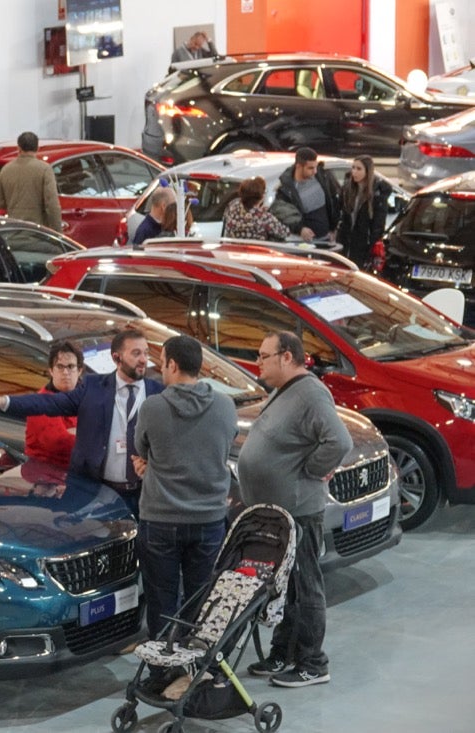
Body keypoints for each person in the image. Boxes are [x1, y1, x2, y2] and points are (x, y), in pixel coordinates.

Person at [237, 331, 352, 689]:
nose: (258, 362)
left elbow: (340, 440)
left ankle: (313, 663)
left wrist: (312, 470)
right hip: (278, 511)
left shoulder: (311, 393)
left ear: (287, 357)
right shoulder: (286, 390)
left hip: (299, 510)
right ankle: (283, 652)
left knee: (304, 587)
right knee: (284, 587)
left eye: (263, 355)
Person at [0, 329, 162, 518]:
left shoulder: (158, 392)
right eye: (136, 353)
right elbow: (47, 402)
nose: (144, 359)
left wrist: (152, 460)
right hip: (95, 493)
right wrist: (2, 402)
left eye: (145, 353)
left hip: (142, 494)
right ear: (116, 358)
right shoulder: (93, 388)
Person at [130, 335, 238, 638]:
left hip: (161, 520)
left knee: (162, 600)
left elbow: (142, 447)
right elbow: (223, 447)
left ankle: (162, 672)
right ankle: (196, 667)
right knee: (201, 598)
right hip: (209, 519)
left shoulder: (153, 407)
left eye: (161, 363)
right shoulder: (225, 406)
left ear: (173, 365)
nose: (159, 369)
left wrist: (154, 467)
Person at [24, 342, 83, 468]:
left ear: (79, 371)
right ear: (51, 371)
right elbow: (60, 443)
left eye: (71, 366)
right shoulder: (41, 403)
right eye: (60, 367)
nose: (66, 372)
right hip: (47, 477)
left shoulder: (87, 396)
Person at [0, 131, 63, 231]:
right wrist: (58, 234)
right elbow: (52, 205)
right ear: (37, 148)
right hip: (37, 231)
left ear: (18, 148)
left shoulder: (5, 170)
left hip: (13, 230)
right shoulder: (44, 169)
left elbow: (0, 203)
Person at [270, 147, 341, 243]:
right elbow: (284, 214)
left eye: (315, 167)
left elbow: (334, 201)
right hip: (304, 244)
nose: (315, 171)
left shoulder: (323, 177)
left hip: (327, 240)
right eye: (310, 168)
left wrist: (333, 228)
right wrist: (300, 229)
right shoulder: (286, 189)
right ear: (299, 166)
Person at [336, 155, 392, 269]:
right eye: (353, 168)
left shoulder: (377, 194)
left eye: (359, 169)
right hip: (346, 241)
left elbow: (378, 223)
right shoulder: (348, 189)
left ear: (368, 171)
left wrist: (371, 244)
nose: (354, 172)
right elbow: (342, 214)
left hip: (363, 244)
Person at [222, 176, 291, 241]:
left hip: (233, 249)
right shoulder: (264, 217)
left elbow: (225, 219)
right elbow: (284, 232)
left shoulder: (232, 206)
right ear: (261, 197)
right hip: (256, 252)